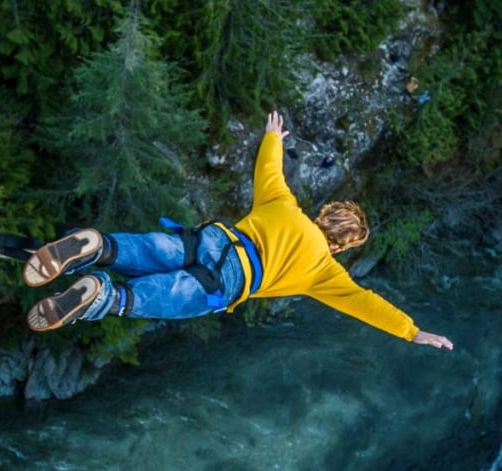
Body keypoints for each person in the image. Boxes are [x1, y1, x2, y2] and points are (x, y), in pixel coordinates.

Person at [23, 111, 453, 350]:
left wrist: (273, 137)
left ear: (323, 214)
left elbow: (269, 168)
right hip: (230, 281)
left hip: (214, 239)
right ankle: (102, 295)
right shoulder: (324, 271)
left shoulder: (284, 204)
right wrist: (412, 331)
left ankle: (98, 245)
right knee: (149, 298)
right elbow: (365, 304)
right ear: (340, 246)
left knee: (153, 249)